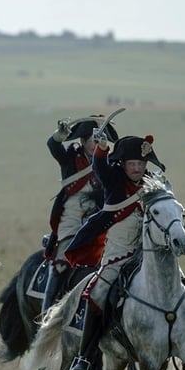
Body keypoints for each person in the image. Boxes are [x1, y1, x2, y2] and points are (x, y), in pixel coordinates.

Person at [66, 134, 165, 370]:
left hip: (148, 257)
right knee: (96, 293)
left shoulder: (154, 184)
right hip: (118, 257)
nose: (137, 168)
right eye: (132, 164)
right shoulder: (114, 181)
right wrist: (101, 148)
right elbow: (99, 166)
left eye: (140, 164)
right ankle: (84, 356)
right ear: (122, 164)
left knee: (179, 287)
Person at [41, 117, 116, 312]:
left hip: (102, 226)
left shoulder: (110, 164)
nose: (96, 142)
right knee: (61, 265)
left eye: (100, 137)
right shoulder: (70, 159)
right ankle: (46, 314)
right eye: (92, 138)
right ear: (83, 141)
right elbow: (54, 146)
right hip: (72, 224)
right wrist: (60, 135)